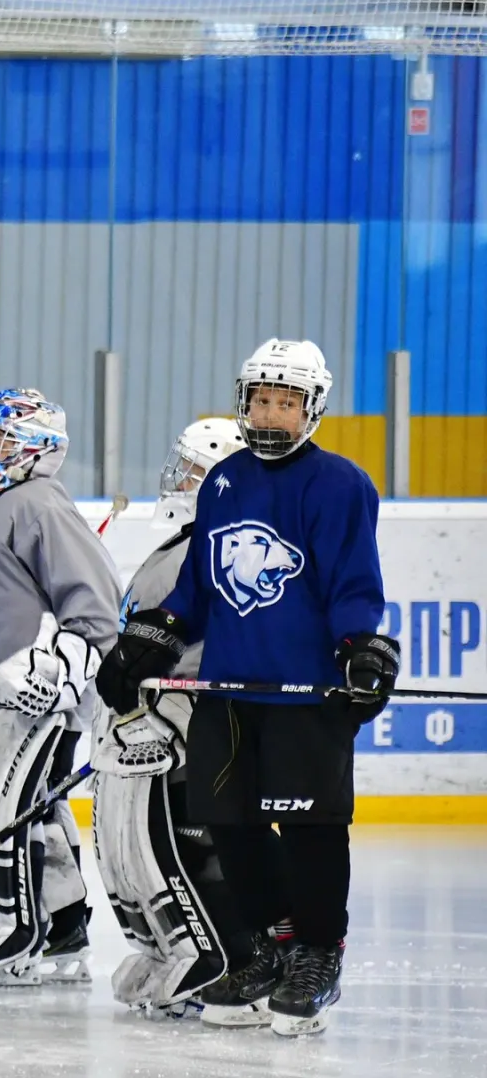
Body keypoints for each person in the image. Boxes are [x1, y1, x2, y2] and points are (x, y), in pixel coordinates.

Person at [96, 339, 396, 1037]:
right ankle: (265, 948)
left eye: (284, 402)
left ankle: (317, 954)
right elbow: (198, 588)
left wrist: (359, 649)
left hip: (304, 695)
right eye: (260, 398)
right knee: (229, 823)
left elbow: (353, 585)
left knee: (312, 829)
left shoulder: (340, 485)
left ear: (311, 409)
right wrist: (154, 633)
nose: (269, 412)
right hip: (227, 694)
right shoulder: (226, 479)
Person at [0, 387, 120, 988]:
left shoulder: (38, 503)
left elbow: (95, 608)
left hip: (33, 704)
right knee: (35, 814)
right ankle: (61, 924)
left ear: (36, 450)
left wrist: (58, 673)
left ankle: (10, 931)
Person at [92, 417, 248, 1017]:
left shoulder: (212, 548)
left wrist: (172, 707)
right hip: (149, 719)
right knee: (132, 847)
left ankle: (220, 954)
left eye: (192, 470)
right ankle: (167, 945)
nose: (177, 480)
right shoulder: (182, 543)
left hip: (186, 725)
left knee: (186, 845)